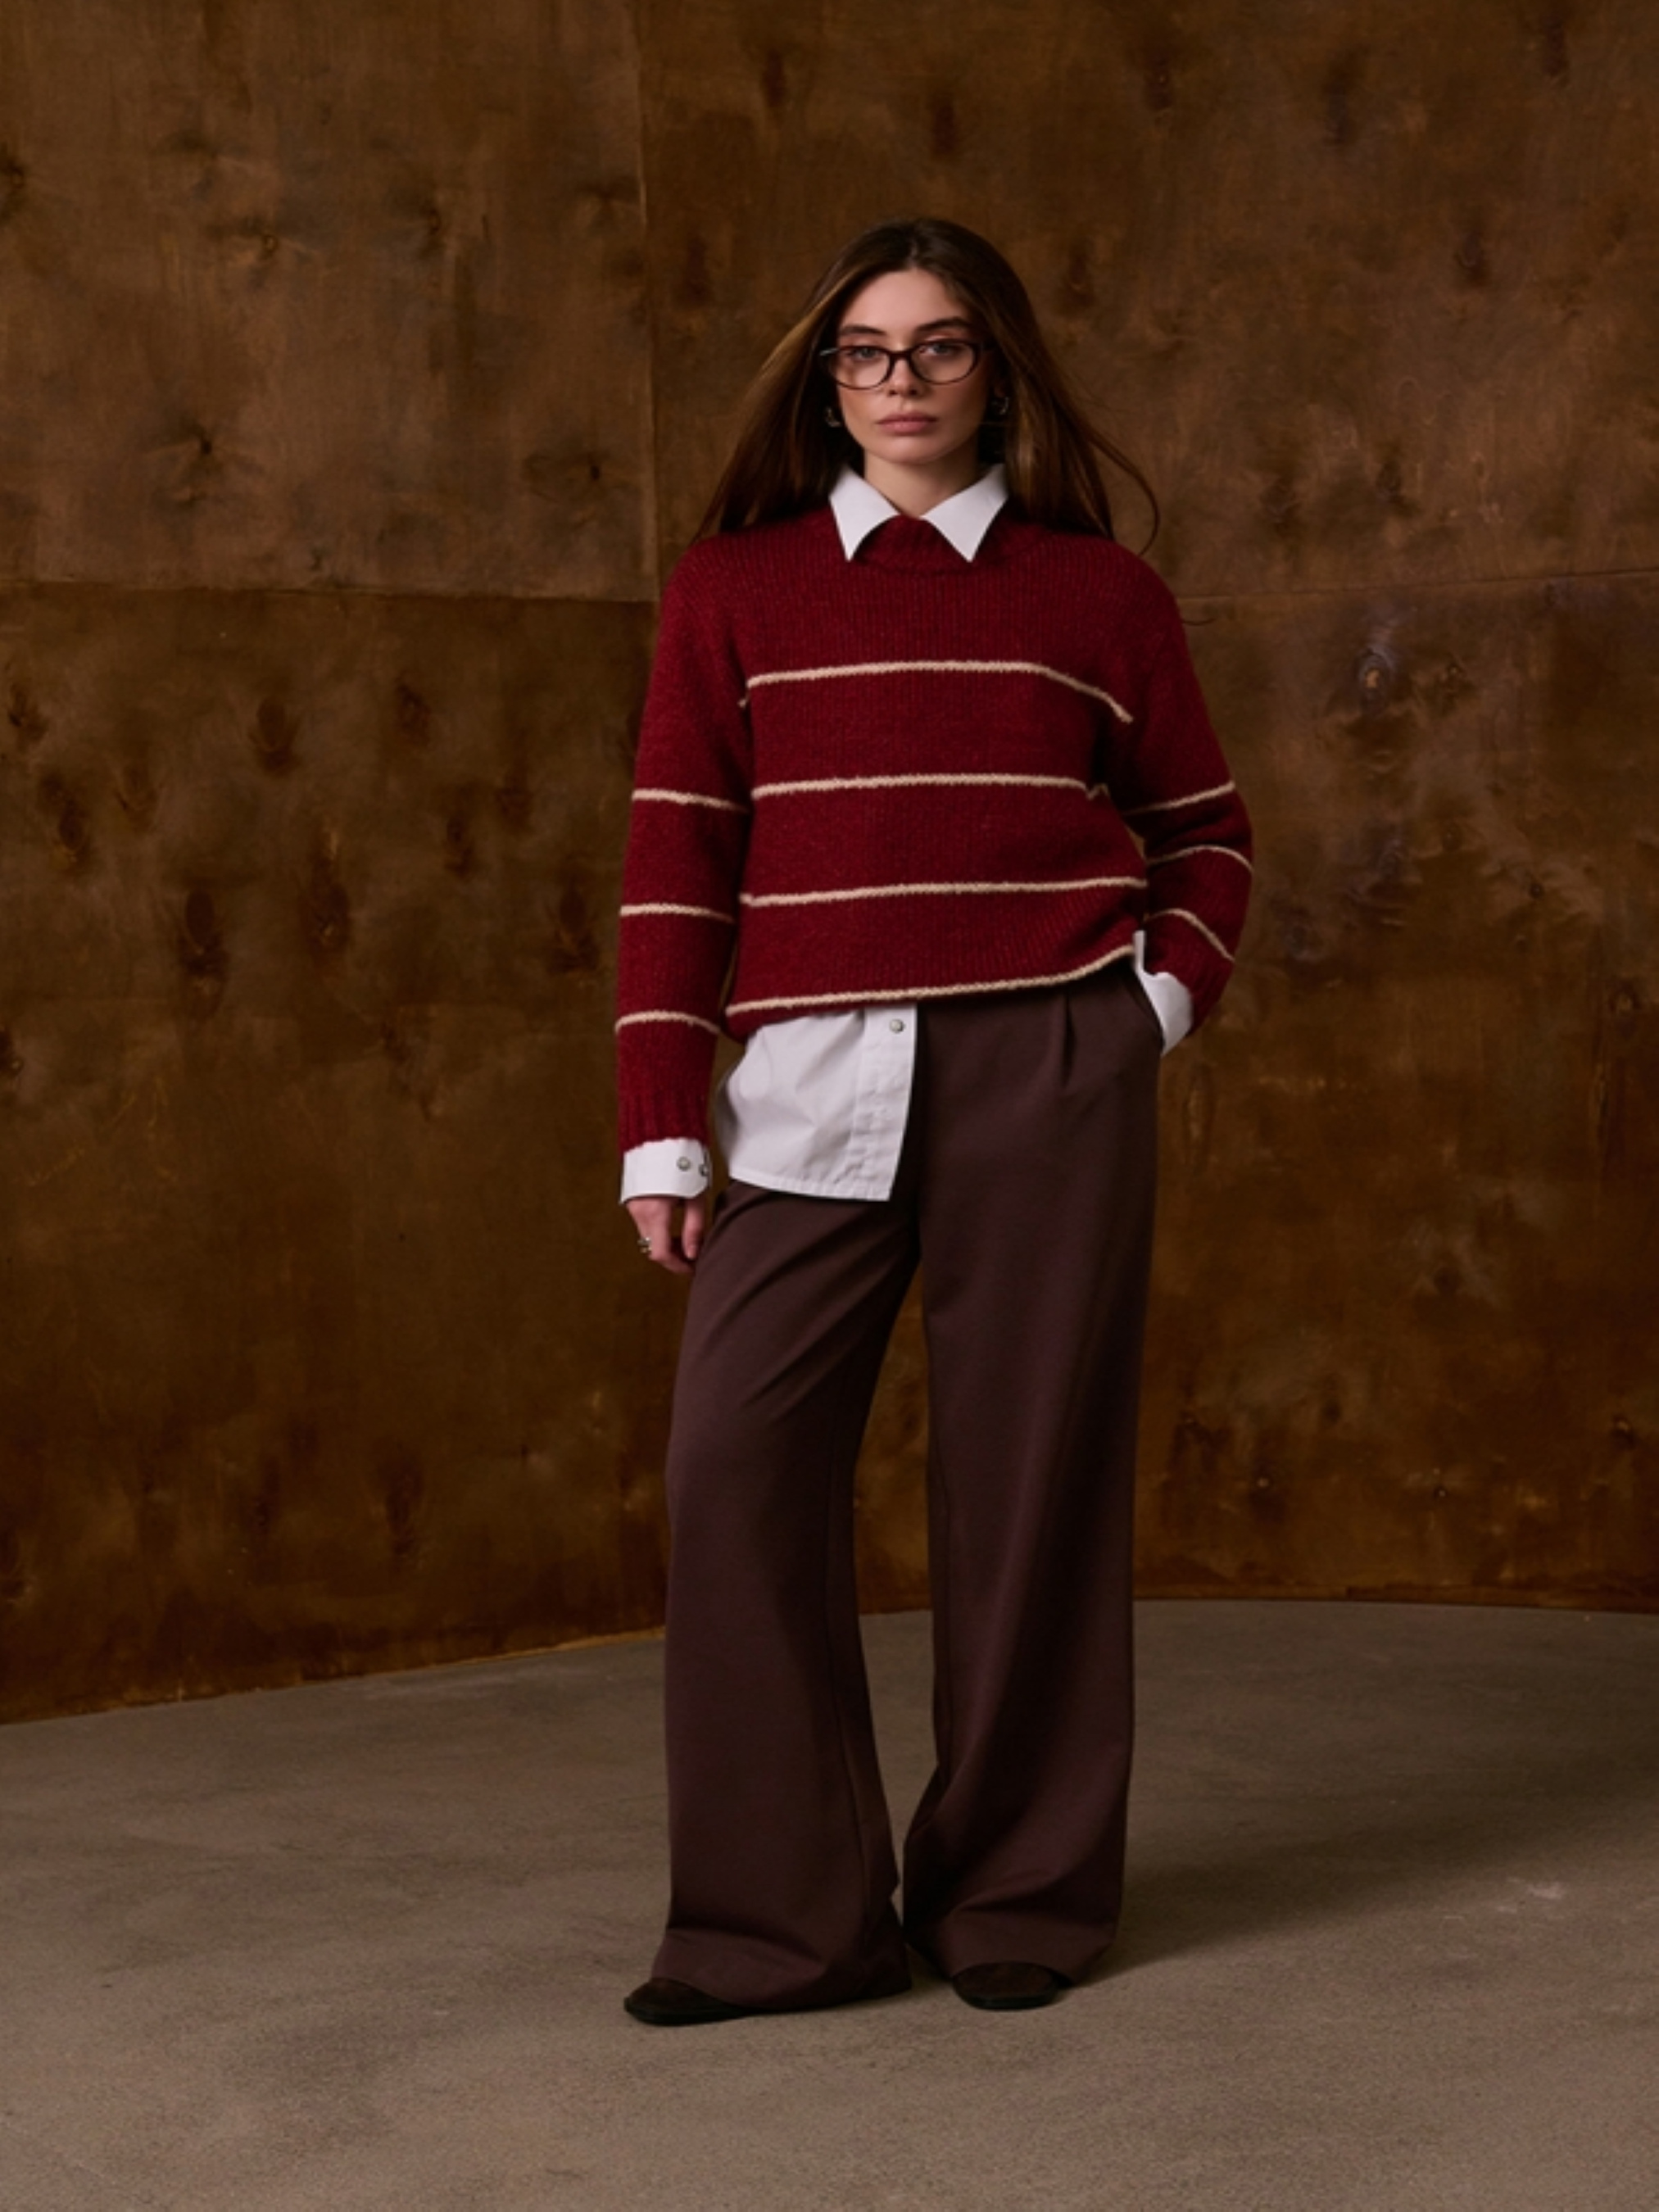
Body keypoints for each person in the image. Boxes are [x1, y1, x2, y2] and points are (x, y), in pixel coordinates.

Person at [613, 216, 1251, 2024]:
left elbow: (1205, 833)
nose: (901, 382)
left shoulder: (1098, 596)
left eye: (939, 346)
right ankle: (779, 1927)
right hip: (805, 1079)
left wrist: (1143, 1010)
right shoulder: (730, 589)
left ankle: (1016, 1899)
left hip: (1045, 1068)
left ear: (997, 369)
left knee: (1030, 1492)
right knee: (733, 1470)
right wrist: (662, 1127)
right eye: (866, 352)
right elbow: (677, 868)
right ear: (826, 381)